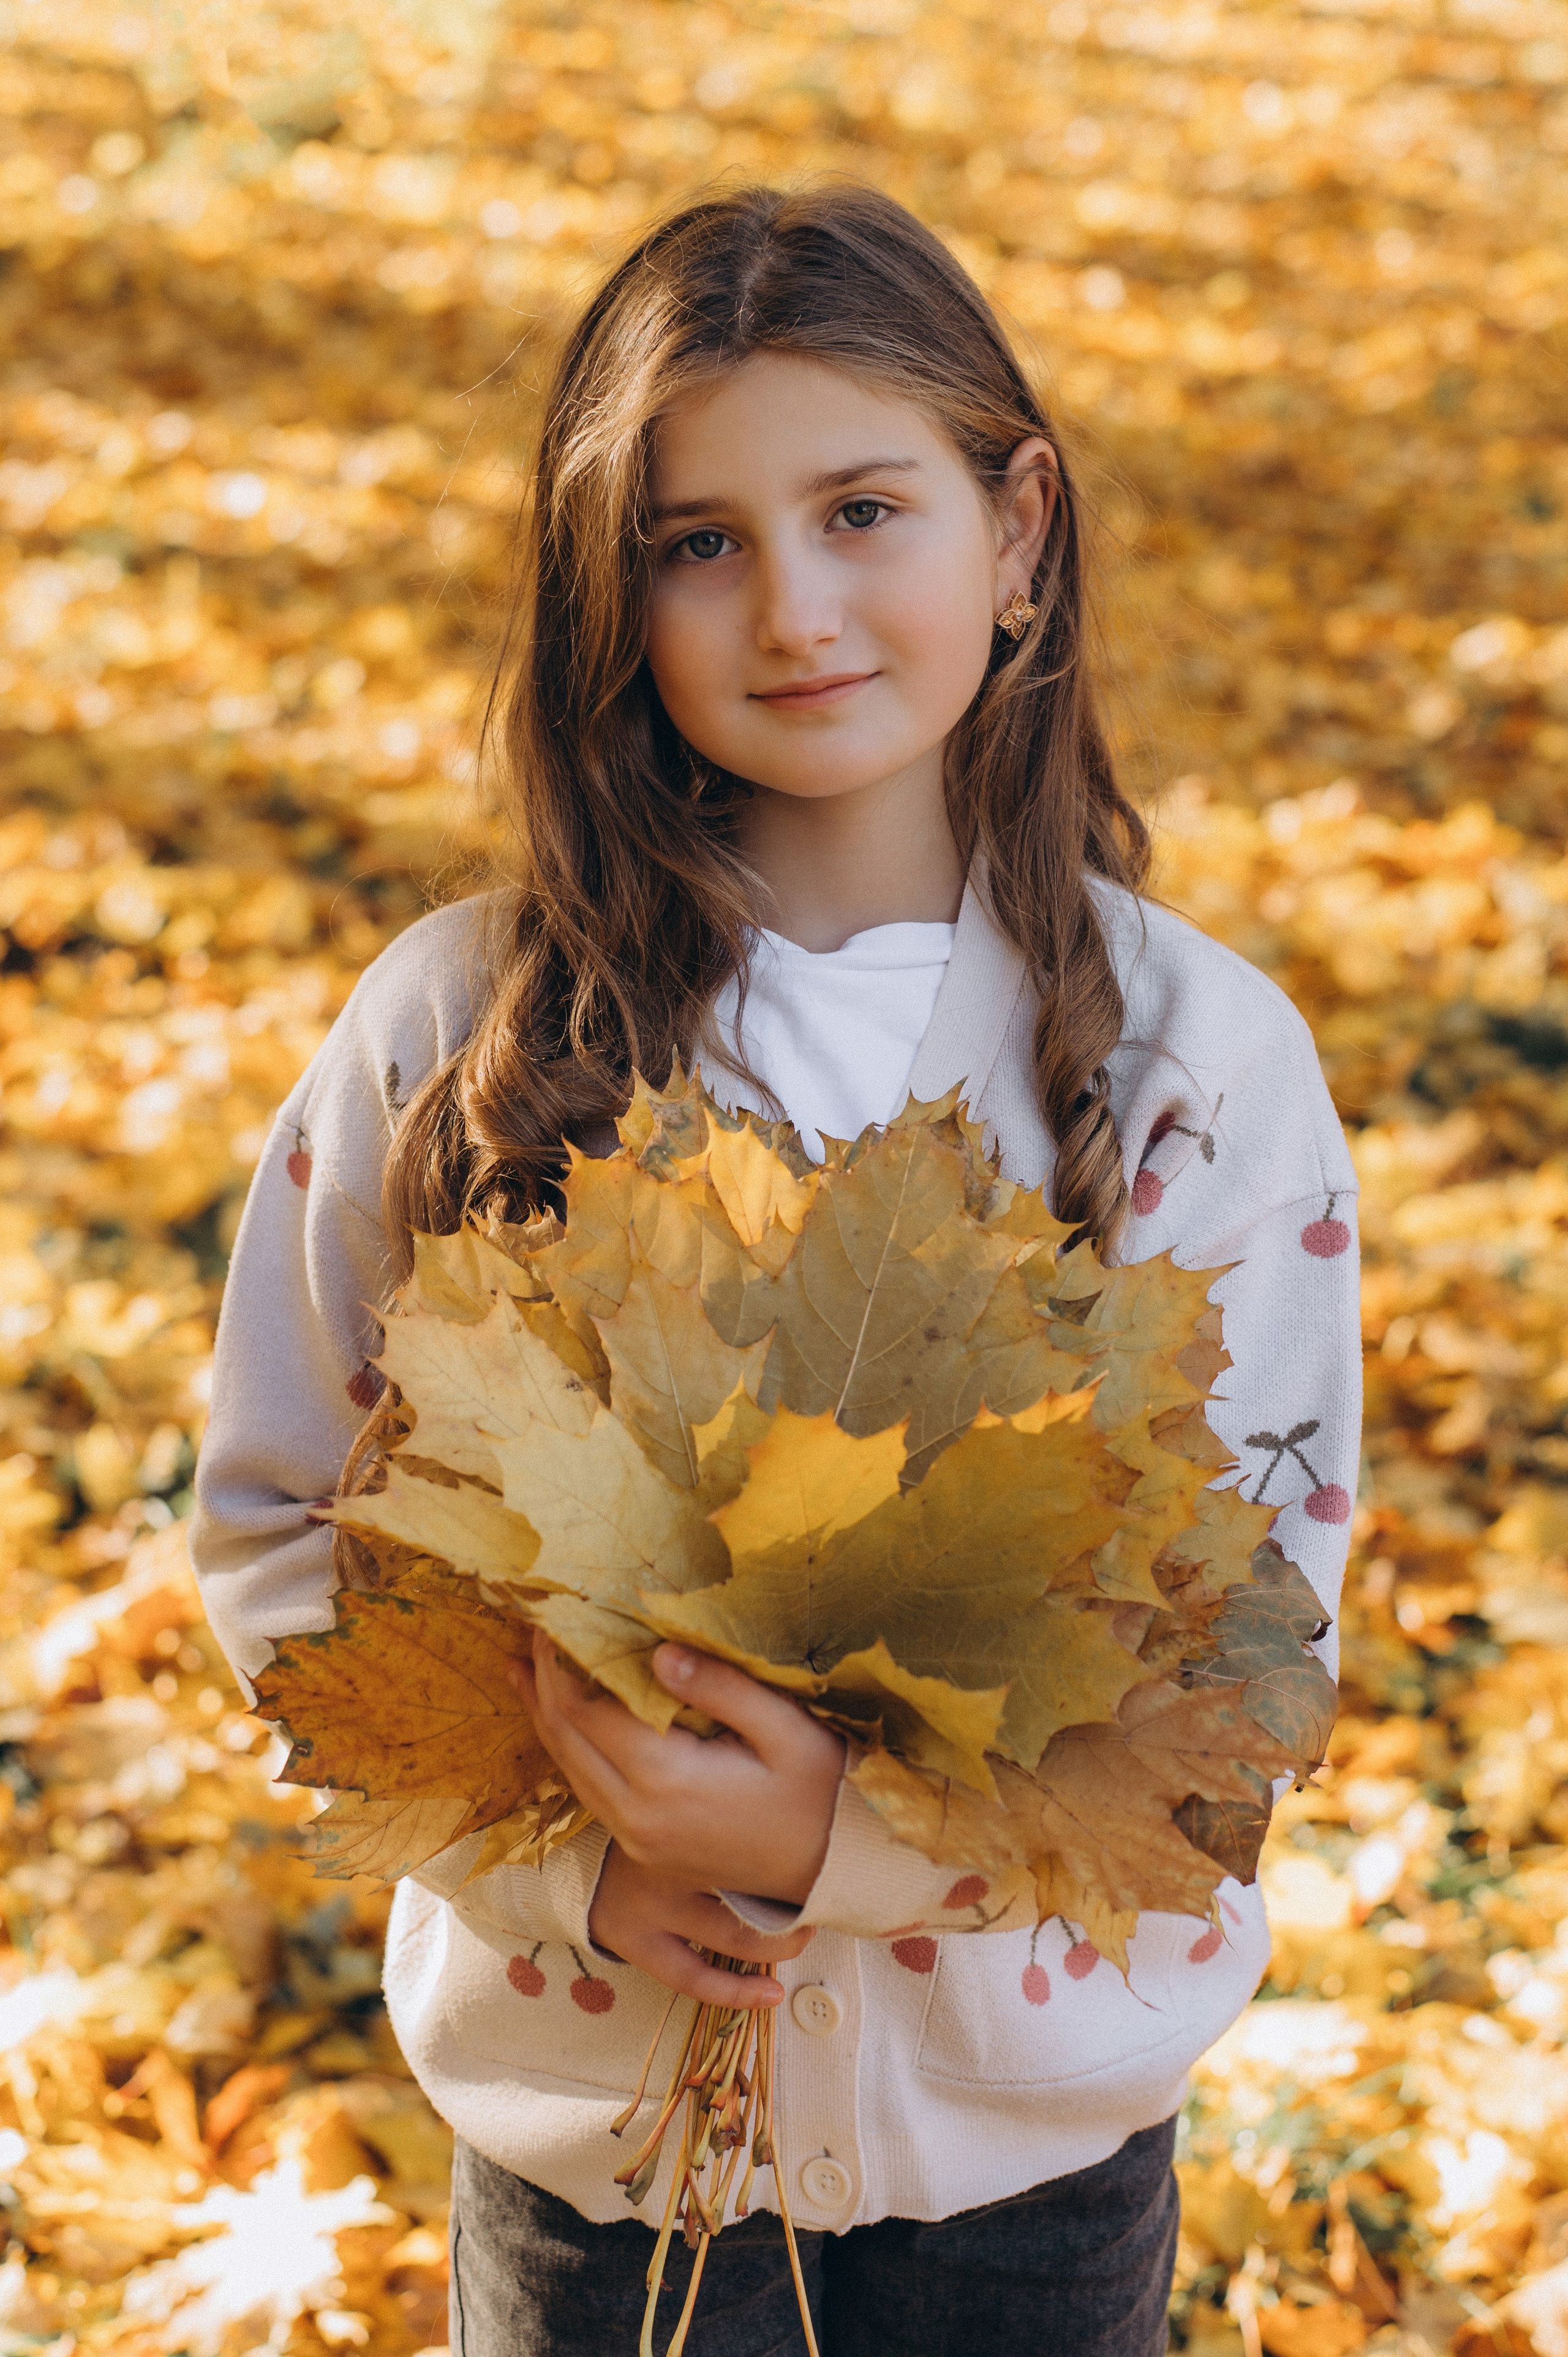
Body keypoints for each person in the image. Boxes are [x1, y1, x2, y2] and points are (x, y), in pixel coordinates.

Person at [190, 182, 1361, 2357]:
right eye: (697, 542)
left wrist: (852, 1838)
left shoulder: (1194, 1067)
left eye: (862, 511)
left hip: (1024, 2187)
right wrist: (571, 1861)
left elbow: (1252, 1660)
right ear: (609, 589)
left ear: (1018, 532)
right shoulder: (463, 1034)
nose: (795, 608)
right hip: (596, 2193)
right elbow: (282, 1532)